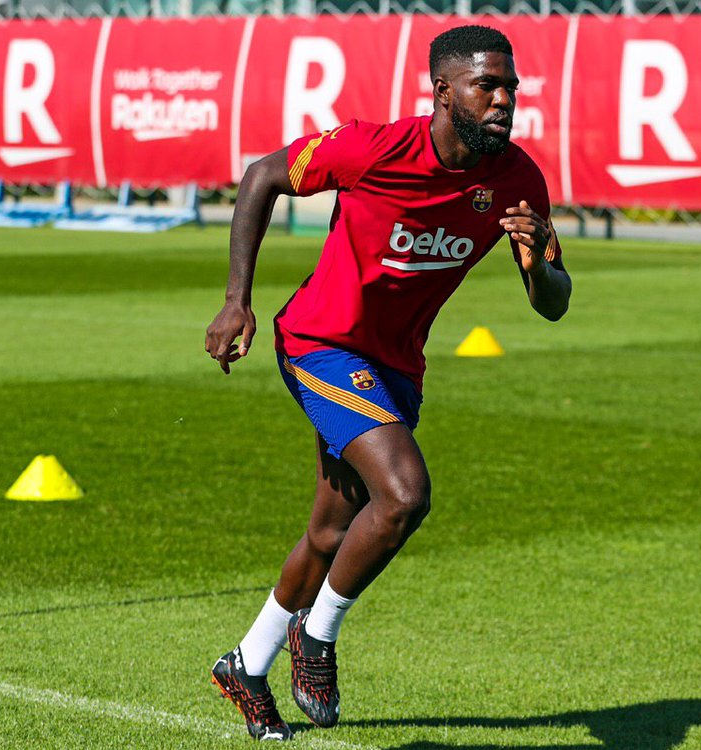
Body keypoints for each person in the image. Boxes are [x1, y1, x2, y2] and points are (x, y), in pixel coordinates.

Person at [204, 24, 571, 741]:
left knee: (330, 531)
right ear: (442, 91)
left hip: (395, 367)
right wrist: (236, 299)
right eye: (486, 86)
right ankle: (319, 635)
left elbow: (554, 302)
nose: (504, 101)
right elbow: (261, 177)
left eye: (511, 88)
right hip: (319, 344)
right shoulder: (374, 148)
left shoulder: (519, 180)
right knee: (403, 494)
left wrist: (536, 264)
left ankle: (245, 665)